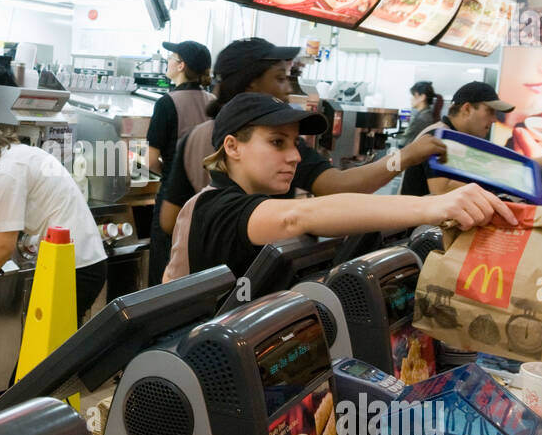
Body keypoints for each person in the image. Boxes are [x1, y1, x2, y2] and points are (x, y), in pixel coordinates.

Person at [165, 92, 517, 282]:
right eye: (277, 143)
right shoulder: (217, 207)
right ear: (232, 147)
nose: (294, 157)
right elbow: (299, 217)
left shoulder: (251, 200)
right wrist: (431, 206)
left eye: (294, 144)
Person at [159, 38, 445, 238]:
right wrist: (405, 159)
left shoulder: (194, 137)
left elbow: (170, 220)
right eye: (280, 78)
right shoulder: (230, 208)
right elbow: (330, 195)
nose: (286, 89)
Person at [0, 107, 107, 320]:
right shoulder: (17, 154)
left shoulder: (6, 172)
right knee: (55, 344)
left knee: (47, 348)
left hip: (74, 267)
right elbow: (25, 206)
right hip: (85, 262)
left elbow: (4, 246)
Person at [400, 81, 542, 196]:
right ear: (467, 109)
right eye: (490, 111)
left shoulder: (462, 139)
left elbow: (500, 164)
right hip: (418, 236)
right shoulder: (439, 136)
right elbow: (440, 190)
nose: (494, 119)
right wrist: (501, 182)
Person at [145, 40, 211, 284]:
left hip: (174, 197)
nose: (168, 62)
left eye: (171, 58)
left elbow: (151, 159)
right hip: (208, 194)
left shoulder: (166, 103)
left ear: (181, 65)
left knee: (165, 265)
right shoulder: (214, 101)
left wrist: (169, 172)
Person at [398, 81, 443, 146]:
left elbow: (404, 143)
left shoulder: (422, 119)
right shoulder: (426, 115)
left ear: (422, 97)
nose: (411, 99)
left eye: (413, 95)